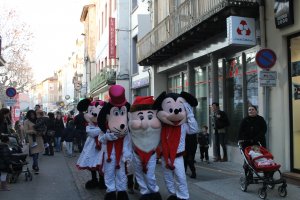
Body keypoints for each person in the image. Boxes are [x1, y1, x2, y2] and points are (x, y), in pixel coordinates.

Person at [238, 105, 267, 180]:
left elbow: (264, 130)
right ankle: (249, 174)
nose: (250, 111)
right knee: (248, 159)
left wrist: (257, 138)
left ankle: (266, 173)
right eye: (249, 110)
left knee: (261, 157)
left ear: (256, 111)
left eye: (252, 109)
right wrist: (240, 140)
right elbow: (240, 131)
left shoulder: (260, 119)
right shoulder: (245, 120)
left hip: (258, 142)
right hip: (247, 142)